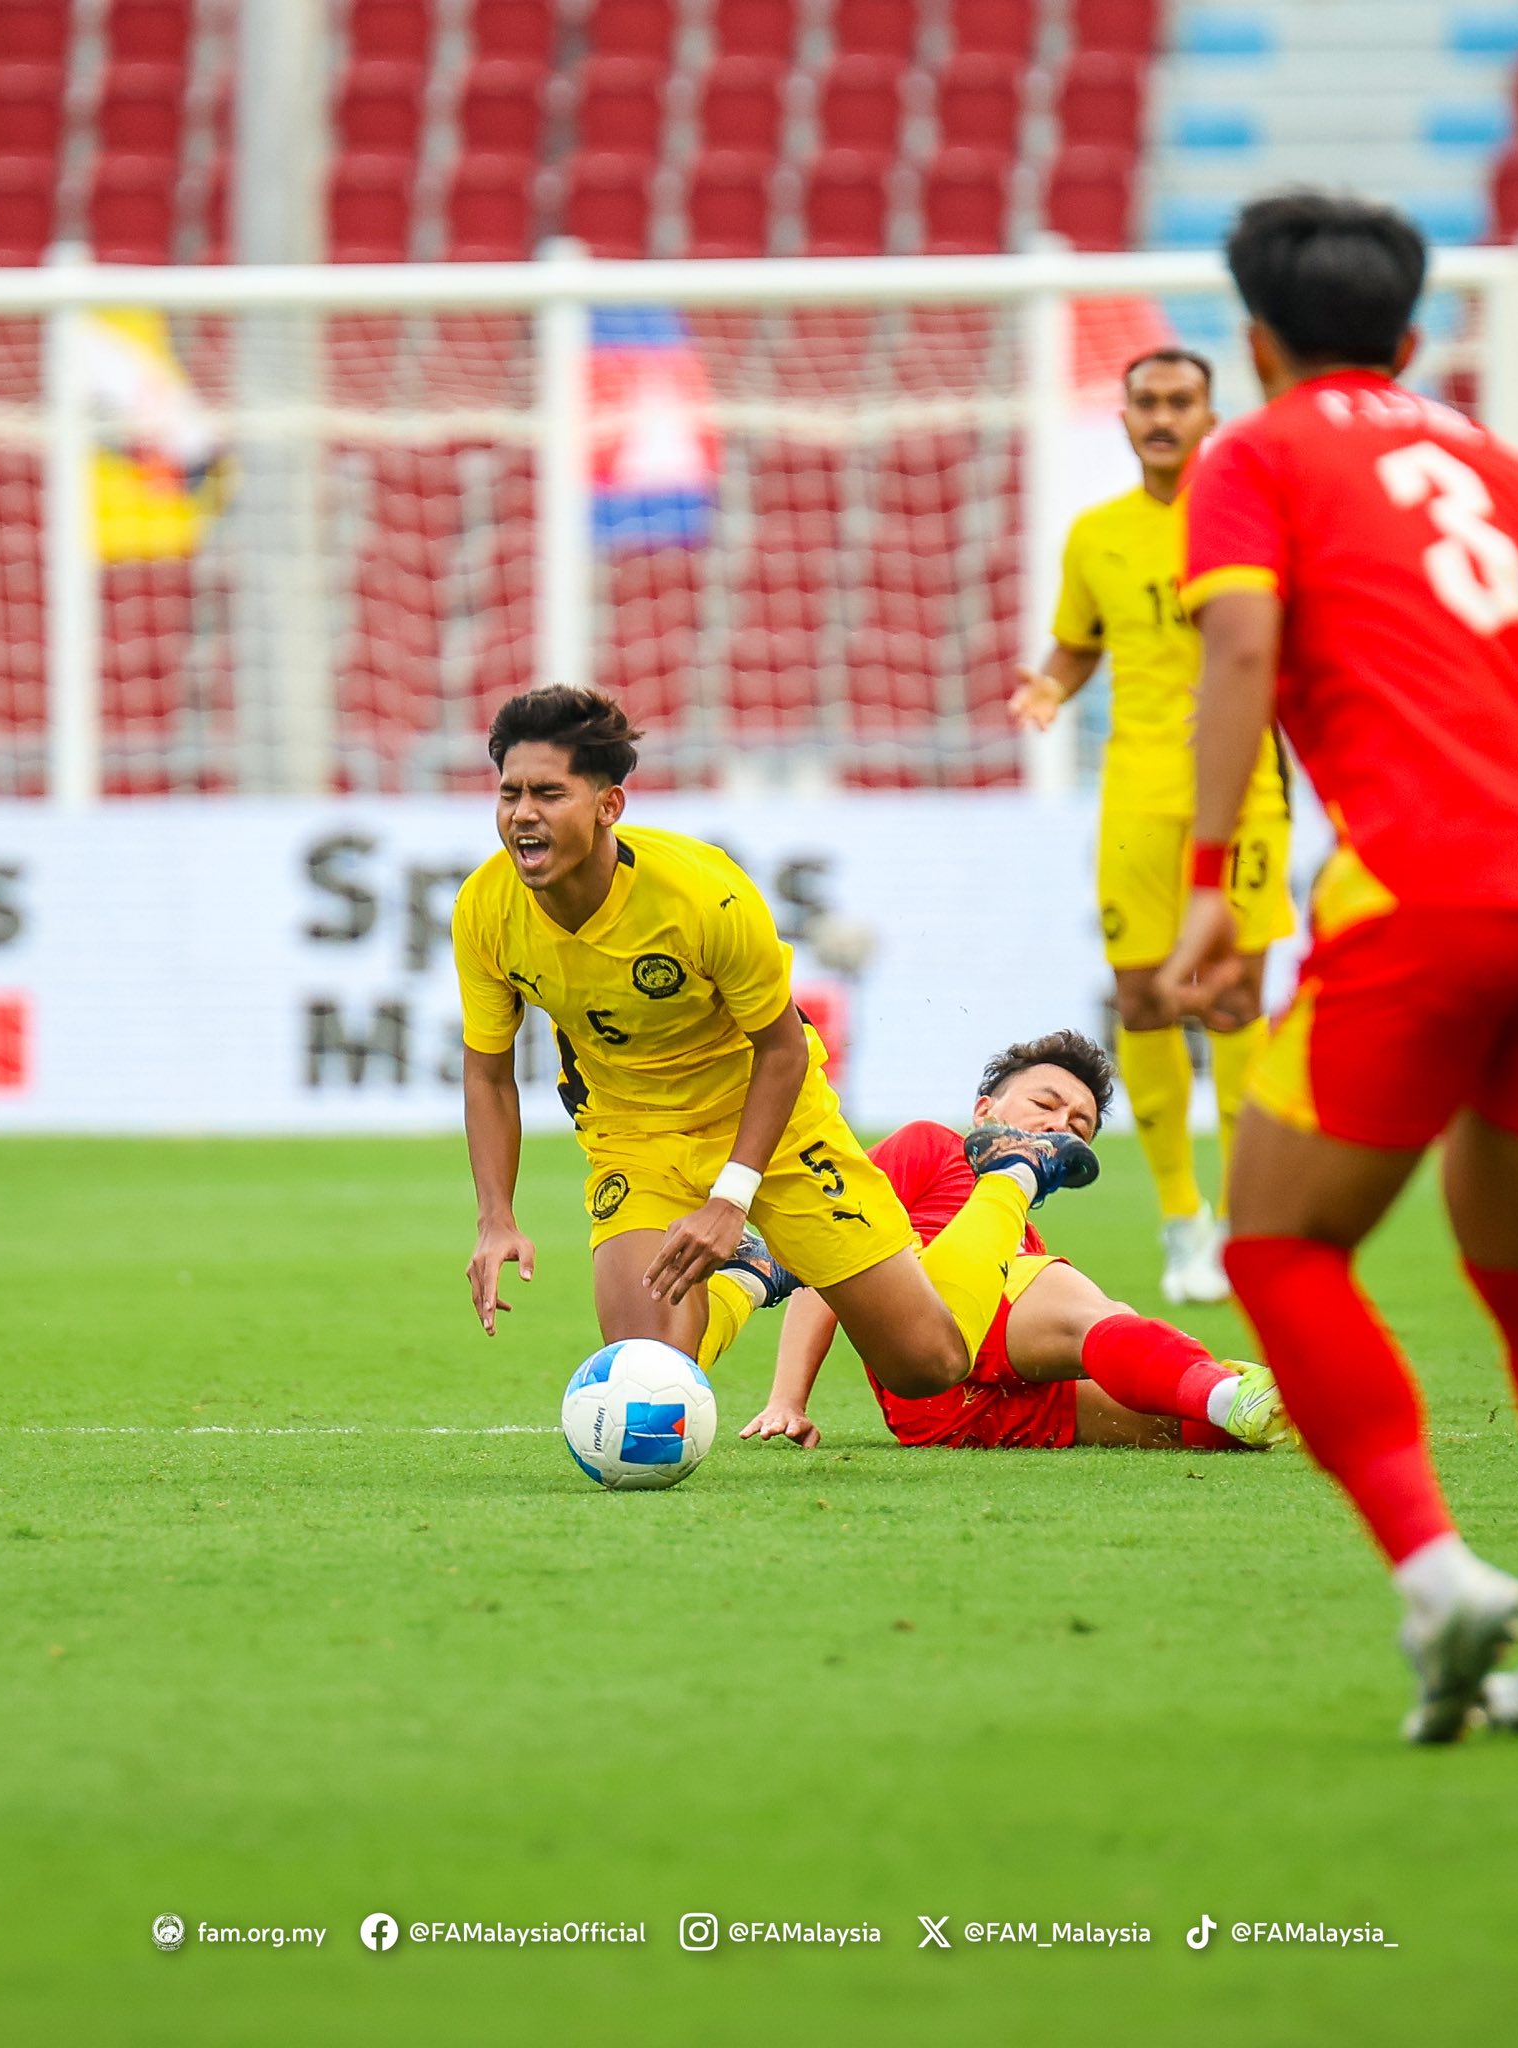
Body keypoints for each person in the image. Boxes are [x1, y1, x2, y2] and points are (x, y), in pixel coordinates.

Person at [1158, 191, 1518, 1742]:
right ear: (1412, 339)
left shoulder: (1257, 454)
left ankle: (1433, 1573)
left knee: (1274, 1244)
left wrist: (1211, 884)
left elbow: (1235, 649)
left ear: (1255, 341)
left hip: (1428, 889)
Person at [454, 685, 1097, 1406]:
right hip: (633, 1135)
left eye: (548, 793)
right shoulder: (484, 908)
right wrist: (496, 1219)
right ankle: (754, 1274)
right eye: (509, 794)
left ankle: (1011, 1172)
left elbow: (784, 1051)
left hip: (776, 1123)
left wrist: (732, 1197)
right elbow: (489, 1076)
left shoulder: (705, 897)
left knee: (926, 1366)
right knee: (649, 1376)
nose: (523, 815)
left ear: (609, 807)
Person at [1013, 350, 1296, 1306]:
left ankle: (1245, 1214)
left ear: (1212, 412)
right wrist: (1049, 685)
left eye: (1182, 401)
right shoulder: (1098, 535)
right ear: (1126, 417)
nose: (1164, 417)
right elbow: (1077, 641)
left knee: (1230, 999)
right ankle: (1184, 1220)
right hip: (1135, 791)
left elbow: (1295, 638)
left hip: (1246, 789)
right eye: (1148, 402)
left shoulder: (1256, 519)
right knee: (1142, 1001)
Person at [741, 1029, 1289, 1455]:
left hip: (959, 1417)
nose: (1060, 1125)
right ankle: (1233, 1387)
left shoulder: (1023, 1235)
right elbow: (834, 1259)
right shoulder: (931, 1145)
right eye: (1045, 1105)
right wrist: (788, 1399)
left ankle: (1285, 1403)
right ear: (985, 1112)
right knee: (1100, 1318)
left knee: (1194, 1421)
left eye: (1079, 1124)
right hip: (930, 1347)